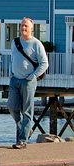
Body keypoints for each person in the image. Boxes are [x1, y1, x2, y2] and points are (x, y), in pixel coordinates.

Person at [8, 17, 49, 149]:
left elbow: (44, 63)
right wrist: (11, 72)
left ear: (32, 28)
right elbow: (12, 58)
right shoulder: (15, 42)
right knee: (12, 107)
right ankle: (23, 130)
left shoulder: (36, 44)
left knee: (27, 111)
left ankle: (23, 140)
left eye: (26, 26)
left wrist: (33, 76)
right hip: (14, 80)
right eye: (22, 25)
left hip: (28, 82)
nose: (23, 28)